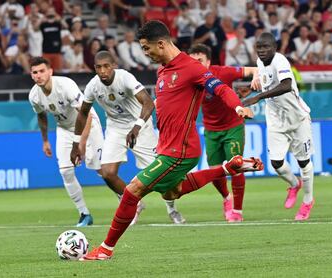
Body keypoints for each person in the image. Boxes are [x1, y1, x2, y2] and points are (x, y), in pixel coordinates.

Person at [71, 20, 263, 261]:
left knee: (132, 191)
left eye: (146, 48)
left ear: (160, 44)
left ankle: (105, 249)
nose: (146, 54)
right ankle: (228, 167)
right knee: (172, 192)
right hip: (166, 146)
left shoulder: (192, 68)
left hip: (181, 149)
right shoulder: (162, 69)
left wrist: (237, 107)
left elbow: (220, 88)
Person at [80, 50, 186, 224]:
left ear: (114, 65)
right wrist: (78, 142)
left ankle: (172, 209)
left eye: (106, 66)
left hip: (140, 126)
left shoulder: (125, 78)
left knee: (161, 176)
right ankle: (134, 204)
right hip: (115, 128)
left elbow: (148, 102)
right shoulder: (93, 86)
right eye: (99, 67)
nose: (103, 71)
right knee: (107, 173)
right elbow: (83, 112)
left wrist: (136, 127)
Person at [242, 32, 315, 221]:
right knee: (276, 163)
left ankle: (307, 201)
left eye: (266, 47)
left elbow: (286, 85)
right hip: (276, 120)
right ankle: (293, 184)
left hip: (297, 118)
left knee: (304, 162)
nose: (262, 51)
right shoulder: (260, 62)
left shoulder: (280, 61)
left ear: (274, 48)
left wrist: (257, 97)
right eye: (259, 47)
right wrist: (254, 83)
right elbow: (264, 79)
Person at [188, 43, 260, 222]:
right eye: (193, 60)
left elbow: (252, 69)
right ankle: (227, 198)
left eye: (200, 60)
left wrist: (256, 77)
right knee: (215, 171)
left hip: (232, 126)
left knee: (235, 166)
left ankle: (237, 210)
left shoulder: (223, 72)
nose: (196, 63)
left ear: (209, 62)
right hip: (211, 130)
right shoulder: (189, 78)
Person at [28, 57, 103, 227]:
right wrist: (45, 140)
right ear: (31, 75)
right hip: (64, 129)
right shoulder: (34, 95)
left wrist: (81, 143)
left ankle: (125, 201)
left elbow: (86, 114)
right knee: (65, 171)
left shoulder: (65, 85)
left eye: (41, 71)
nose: (38, 75)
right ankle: (84, 214)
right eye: (35, 72)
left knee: (102, 170)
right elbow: (41, 116)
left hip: (88, 125)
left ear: (50, 71)